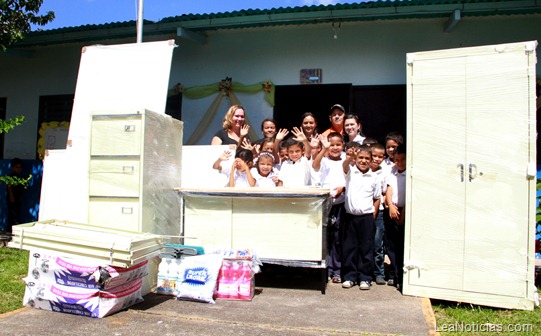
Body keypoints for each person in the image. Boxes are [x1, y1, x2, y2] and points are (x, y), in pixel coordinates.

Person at [341, 145, 381, 290]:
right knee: (349, 247)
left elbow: (377, 198)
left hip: (367, 217)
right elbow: (344, 166)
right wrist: (349, 159)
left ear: (371, 161)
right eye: (360, 158)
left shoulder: (374, 177)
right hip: (350, 217)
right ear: (356, 159)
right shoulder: (351, 172)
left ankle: (365, 277)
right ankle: (349, 276)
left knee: (366, 248)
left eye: (366, 159)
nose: (363, 161)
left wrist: (373, 214)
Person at [312, 132, 346, 283]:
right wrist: (323, 149)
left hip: (341, 204)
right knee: (325, 238)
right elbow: (315, 165)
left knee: (338, 238)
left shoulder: (345, 160)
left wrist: (342, 188)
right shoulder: (324, 160)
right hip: (326, 204)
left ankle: (337, 270)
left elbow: (349, 177)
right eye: (332, 144)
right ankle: (325, 270)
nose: (335, 148)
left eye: (338, 145)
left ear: (343, 145)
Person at [384, 145, 406, 289]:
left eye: (402, 159)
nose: (399, 162)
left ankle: (403, 279)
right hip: (393, 209)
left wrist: (403, 215)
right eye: (396, 159)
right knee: (391, 245)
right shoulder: (392, 171)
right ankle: (396, 277)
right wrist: (391, 205)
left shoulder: (410, 174)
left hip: (404, 211)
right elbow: (389, 189)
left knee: (402, 246)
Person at [369, 143, 387, 285]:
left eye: (379, 156)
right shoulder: (363, 170)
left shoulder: (384, 171)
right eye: (373, 155)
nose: (376, 159)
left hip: (378, 211)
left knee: (377, 243)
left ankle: (379, 273)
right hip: (362, 211)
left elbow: (384, 191)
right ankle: (365, 272)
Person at [6, 158, 24, 234]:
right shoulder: (11, 176)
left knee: (17, 212)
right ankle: (11, 229)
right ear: (13, 167)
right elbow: (9, 187)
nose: (18, 169)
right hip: (12, 197)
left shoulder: (20, 176)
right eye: (16, 167)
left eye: (20, 167)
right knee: (13, 213)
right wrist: (11, 196)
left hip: (17, 197)